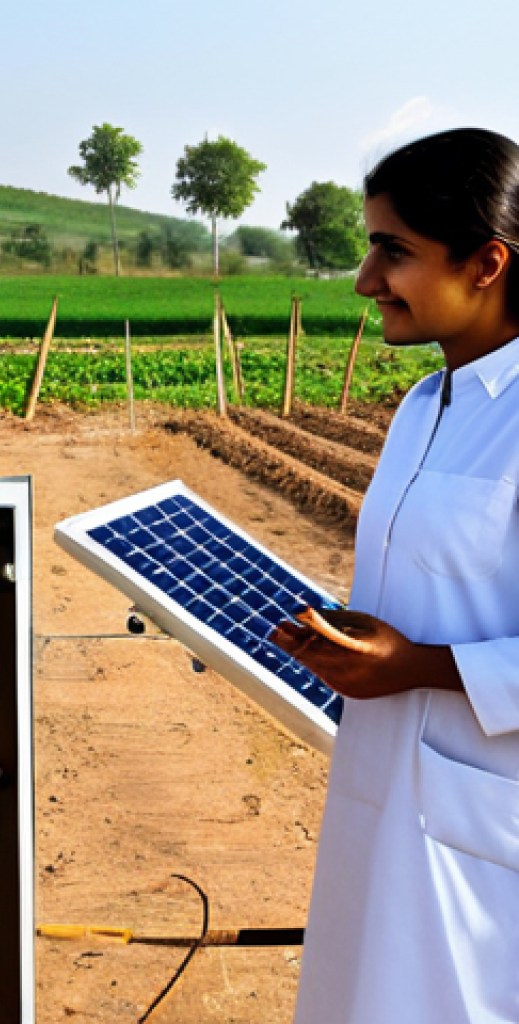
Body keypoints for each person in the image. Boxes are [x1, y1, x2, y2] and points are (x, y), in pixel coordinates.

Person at [271, 128, 519, 1024]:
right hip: (384, 792)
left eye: (394, 250)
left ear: (487, 262)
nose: (366, 278)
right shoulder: (423, 405)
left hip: (483, 827)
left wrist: (420, 667)